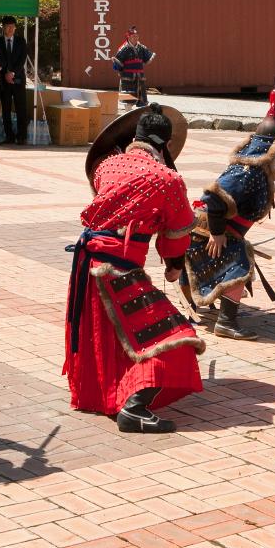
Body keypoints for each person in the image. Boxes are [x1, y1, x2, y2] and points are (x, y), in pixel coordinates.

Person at [65, 104, 204, 433]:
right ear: (166, 146)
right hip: (120, 270)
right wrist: (173, 266)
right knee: (173, 338)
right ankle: (135, 407)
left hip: (87, 266)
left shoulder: (106, 166)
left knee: (111, 336)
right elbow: (176, 235)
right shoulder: (168, 179)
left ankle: (104, 396)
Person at [180, 99, 275, 340]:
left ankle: (194, 305)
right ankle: (226, 321)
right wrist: (217, 233)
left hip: (213, 227)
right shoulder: (248, 172)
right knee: (240, 263)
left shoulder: (254, 169)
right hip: (209, 230)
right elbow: (213, 197)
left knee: (233, 252)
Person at [0, 17, 28, 144]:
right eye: (7, 26)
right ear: (3, 28)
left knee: (21, 108)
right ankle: (9, 136)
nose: (10, 29)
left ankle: (22, 136)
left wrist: (13, 73)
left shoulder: (21, 41)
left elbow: (22, 59)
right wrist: (6, 74)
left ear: (15, 28)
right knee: (6, 108)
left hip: (18, 79)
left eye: (12, 26)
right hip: (4, 80)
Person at [112, 26, 154, 107]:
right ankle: (128, 113)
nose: (136, 38)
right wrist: (115, 63)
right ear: (129, 37)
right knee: (128, 99)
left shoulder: (142, 48)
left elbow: (147, 59)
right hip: (127, 77)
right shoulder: (124, 48)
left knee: (142, 100)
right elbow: (118, 64)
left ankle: (140, 114)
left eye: (137, 36)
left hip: (140, 77)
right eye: (133, 36)